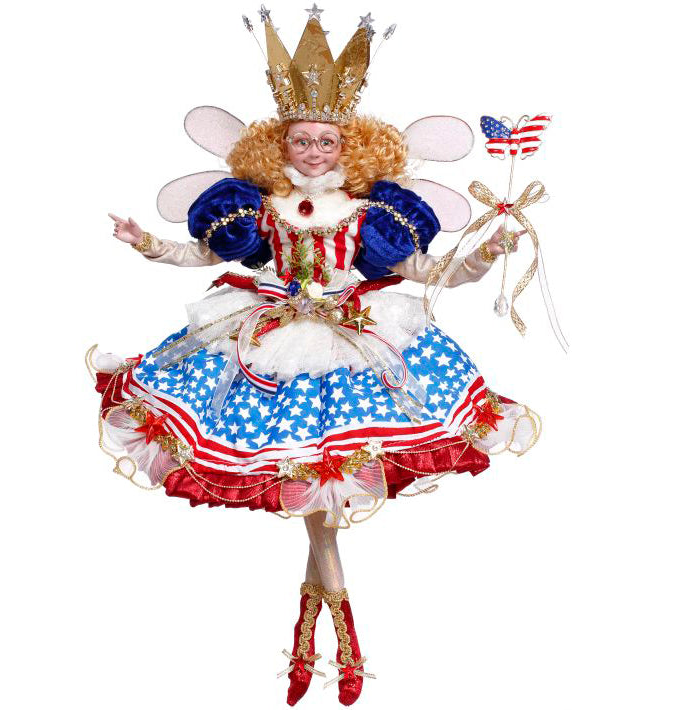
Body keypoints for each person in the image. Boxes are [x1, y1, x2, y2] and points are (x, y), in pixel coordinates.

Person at [92, 12, 539, 707]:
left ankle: (318, 637)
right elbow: (201, 255)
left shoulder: (368, 213)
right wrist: (145, 242)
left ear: (347, 147)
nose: (313, 152)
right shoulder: (259, 207)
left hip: (352, 343)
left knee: (322, 498)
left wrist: (484, 253)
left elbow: (432, 272)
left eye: (326, 141)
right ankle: (337, 639)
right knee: (317, 497)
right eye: (301, 140)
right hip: (269, 342)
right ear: (280, 144)